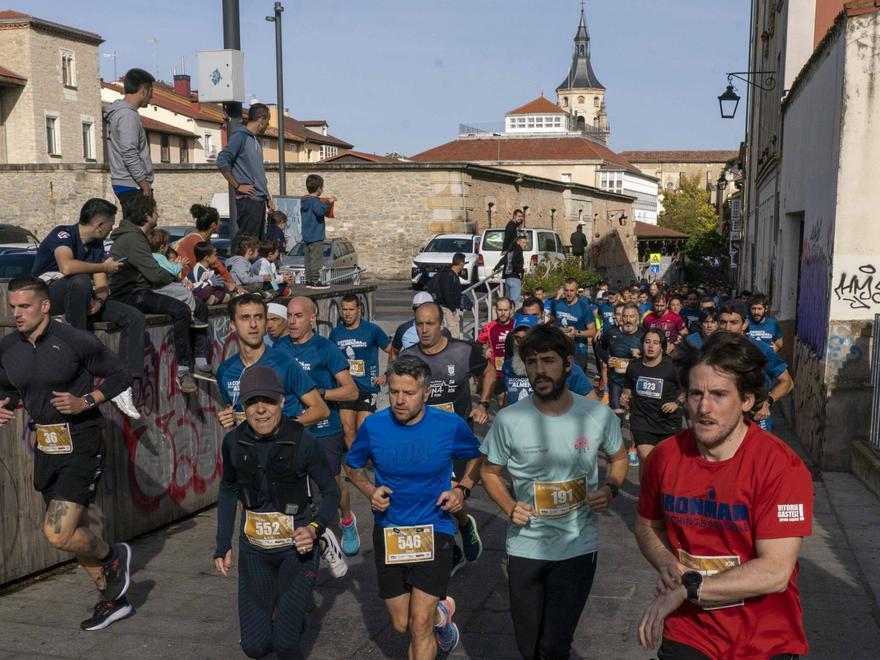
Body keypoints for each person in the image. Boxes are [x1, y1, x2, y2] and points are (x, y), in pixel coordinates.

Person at [635, 332, 813, 659]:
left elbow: (775, 571)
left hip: (764, 639)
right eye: (695, 393)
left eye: (719, 394)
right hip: (688, 632)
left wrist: (691, 588)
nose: (703, 407)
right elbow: (647, 525)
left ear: (746, 400)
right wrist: (669, 566)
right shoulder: (664, 457)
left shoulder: (782, 467)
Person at [480, 324, 628, 660]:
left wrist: (611, 487)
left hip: (578, 547)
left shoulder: (596, 415)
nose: (539, 370)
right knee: (529, 647)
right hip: (526, 547)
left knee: (554, 646)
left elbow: (619, 458)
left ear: (568, 363)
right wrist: (508, 505)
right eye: (531, 362)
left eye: (548, 360)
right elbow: (489, 473)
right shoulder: (509, 420)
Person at [0, 276, 134, 631]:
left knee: (58, 533)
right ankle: (111, 599)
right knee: (76, 530)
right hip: (46, 445)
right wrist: (5, 404)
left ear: (45, 306)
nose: (17, 313)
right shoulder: (8, 347)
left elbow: (121, 375)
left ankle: (112, 555)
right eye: (12, 306)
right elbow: (9, 387)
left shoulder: (74, 340)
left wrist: (86, 400)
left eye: (24, 306)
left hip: (82, 441)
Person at [345, 355, 481, 657]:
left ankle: (432, 617)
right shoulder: (375, 426)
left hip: (436, 526)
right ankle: (442, 615)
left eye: (408, 393)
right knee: (402, 624)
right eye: (394, 391)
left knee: (420, 625)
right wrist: (370, 490)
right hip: (391, 529)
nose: (399, 400)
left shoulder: (450, 425)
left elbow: (476, 457)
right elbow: (352, 466)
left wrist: (462, 490)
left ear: (426, 393)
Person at [214, 365, 341, 659]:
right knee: (256, 647)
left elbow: (331, 491)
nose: (260, 410)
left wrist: (315, 528)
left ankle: (292, 619)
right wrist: (222, 545)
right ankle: (293, 620)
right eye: (251, 402)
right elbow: (228, 488)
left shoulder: (304, 441)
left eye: (268, 401)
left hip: (296, 552)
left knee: (285, 645)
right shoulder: (233, 442)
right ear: (242, 406)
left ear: (282, 401)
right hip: (255, 551)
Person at [31, 198, 143, 419]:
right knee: (80, 280)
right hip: (48, 297)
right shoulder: (63, 234)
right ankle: (79, 351)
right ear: (99, 224)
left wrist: (99, 301)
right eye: (110, 225)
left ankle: (124, 384)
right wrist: (104, 266)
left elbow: (101, 284)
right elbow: (66, 266)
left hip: (80, 297)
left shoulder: (96, 245)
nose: (111, 230)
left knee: (134, 316)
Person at [400, 302, 488, 571]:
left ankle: (464, 523)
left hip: (455, 439)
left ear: (442, 325)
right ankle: (451, 553)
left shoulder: (462, 351)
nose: (424, 330)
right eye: (419, 324)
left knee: (447, 495)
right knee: (430, 497)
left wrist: (482, 403)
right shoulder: (409, 356)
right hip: (422, 439)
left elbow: (488, 370)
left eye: (430, 324)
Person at [275, 297, 361, 555]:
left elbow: (351, 391)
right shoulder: (278, 348)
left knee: (331, 486)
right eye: (289, 315)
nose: (292, 321)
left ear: (312, 318)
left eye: (298, 316)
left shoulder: (326, 348)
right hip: (293, 428)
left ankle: (347, 520)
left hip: (324, 428)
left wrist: (319, 393)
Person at [108, 192, 211, 393]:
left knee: (199, 307)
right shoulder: (133, 239)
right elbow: (154, 274)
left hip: (144, 288)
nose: (158, 215)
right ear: (147, 216)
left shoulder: (136, 237)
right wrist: (176, 280)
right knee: (181, 310)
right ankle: (183, 370)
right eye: (156, 212)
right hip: (132, 293)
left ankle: (200, 360)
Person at [329, 294, 392, 492]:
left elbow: (393, 350)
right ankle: (357, 468)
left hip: (367, 388)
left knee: (363, 429)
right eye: (344, 309)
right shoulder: (336, 333)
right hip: (346, 390)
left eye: (351, 309)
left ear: (359, 310)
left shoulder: (372, 330)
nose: (347, 313)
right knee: (348, 430)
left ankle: (367, 461)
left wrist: (386, 374)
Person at [718, 303, 793, 432]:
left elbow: (787, 382)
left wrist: (767, 401)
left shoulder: (760, 350)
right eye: (723, 322)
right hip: (722, 417)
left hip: (754, 419)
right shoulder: (711, 350)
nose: (728, 328)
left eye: (733, 322)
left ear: (745, 324)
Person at [621, 328, 683, 471]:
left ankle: (659, 490)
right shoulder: (634, 366)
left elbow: (687, 389)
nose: (650, 346)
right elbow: (628, 388)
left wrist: (676, 403)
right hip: (642, 420)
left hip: (667, 421)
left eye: (655, 343)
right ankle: (646, 492)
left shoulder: (673, 367)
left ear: (662, 347)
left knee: (665, 463)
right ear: (642, 344)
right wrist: (625, 396)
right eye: (647, 342)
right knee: (645, 456)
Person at [500, 316, 598, 404]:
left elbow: (594, 406)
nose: (520, 343)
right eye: (517, 338)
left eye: (526, 338)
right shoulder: (508, 366)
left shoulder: (567, 368)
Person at [217, 103, 274, 242]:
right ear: (261, 120)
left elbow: (258, 172)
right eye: (267, 121)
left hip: (259, 200)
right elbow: (222, 159)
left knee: (256, 246)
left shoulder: (255, 141)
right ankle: (235, 263)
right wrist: (237, 185)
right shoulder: (240, 136)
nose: (268, 125)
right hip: (249, 201)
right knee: (247, 244)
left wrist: (267, 196)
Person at [600, 302, 645, 467]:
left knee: (633, 418)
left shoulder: (644, 335)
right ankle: (617, 450)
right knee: (617, 416)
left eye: (631, 316)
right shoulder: (611, 333)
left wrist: (641, 353)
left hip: (635, 383)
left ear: (637, 318)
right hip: (616, 380)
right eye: (625, 316)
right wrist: (607, 359)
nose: (627, 319)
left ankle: (632, 449)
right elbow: (600, 348)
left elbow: (657, 352)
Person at [105, 68, 155, 203]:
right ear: (143, 90)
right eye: (151, 92)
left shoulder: (120, 112)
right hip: (132, 185)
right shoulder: (128, 115)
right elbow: (129, 153)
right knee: (144, 223)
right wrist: (145, 186)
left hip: (126, 183)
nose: (152, 98)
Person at [176, 204, 242, 295]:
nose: (221, 223)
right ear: (213, 225)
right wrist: (231, 284)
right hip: (191, 285)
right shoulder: (195, 241)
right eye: (219, 220)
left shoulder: (202, 240)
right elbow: (216, 265)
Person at [146, 227, 200, 319]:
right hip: (161, 286)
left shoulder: (149, 256)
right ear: (162, 248)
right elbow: (173, 271)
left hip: (154, 287)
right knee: (187, 293)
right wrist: (181, 265)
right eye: (167, 244)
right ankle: (191, 314)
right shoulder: (160, 257)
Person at [477, 296, 515, 408]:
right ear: (496, 310)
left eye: (506, 310)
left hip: (514, 370)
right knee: (501, 399)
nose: (503, 313)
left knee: (512, 400)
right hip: (497, 370)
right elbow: (477, 344)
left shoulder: (516, 325)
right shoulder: (489, 327)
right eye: (500, 310)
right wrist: (484, 352)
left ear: (511, 310)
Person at [550, 277, 597, 369]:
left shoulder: (584, 307)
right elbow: (552, 322)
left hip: (578, 349)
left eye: (572, 290)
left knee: (577, 379)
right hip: (560, 347)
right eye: (566, 290)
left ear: (576, 291)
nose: (569, 293)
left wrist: (576, 332)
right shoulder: (556, 304)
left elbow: (592, 332)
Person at [300, 174, 336, 290]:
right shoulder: (314, 201)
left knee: (308, 260)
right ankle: (315, 281)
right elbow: (320, 211)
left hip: (307, 236)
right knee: (316, 259)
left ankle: (309, 280)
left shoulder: (304, 200)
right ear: (319, 188)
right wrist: (329, 202)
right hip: (316, 236)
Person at [390, 292, 450, 360]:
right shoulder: (403, 329)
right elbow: (394, 352)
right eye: (416, 308)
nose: (419, 311)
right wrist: (392, 369)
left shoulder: (444, 332)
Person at [428, 252, 466, 340]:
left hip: (447, 306)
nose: (463, 266)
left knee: (450, 329)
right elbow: (447, 293)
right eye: (463, 263)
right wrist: (453, 309)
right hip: (448, 308)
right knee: (453, 330)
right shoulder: (449, 275)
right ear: (460, 264)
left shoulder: (450, 273)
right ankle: (453, 348)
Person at [502, 233, 526, 303]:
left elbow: (504, 260)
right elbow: (513, 261)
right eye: (523, 243)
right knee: (514, 303)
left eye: (525, 243)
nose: (525, 245)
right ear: (518, 242)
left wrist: (495, 268)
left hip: (508, 278)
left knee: (507, 303)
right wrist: (520, 270)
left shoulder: (511, 250)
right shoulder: (518, 250)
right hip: (515, 278)